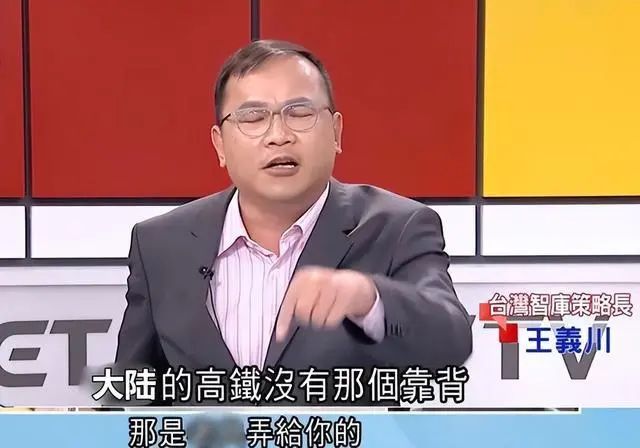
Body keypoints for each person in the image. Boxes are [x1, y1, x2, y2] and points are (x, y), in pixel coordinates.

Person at [115, 39, 472, 406]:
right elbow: (132, 394)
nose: (279, 136)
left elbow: (451, 343)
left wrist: (369, 299)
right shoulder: (161, 244)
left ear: (336, 132)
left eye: (299, 113)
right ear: (220, 145)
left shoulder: (396, 227)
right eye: (253, 117)